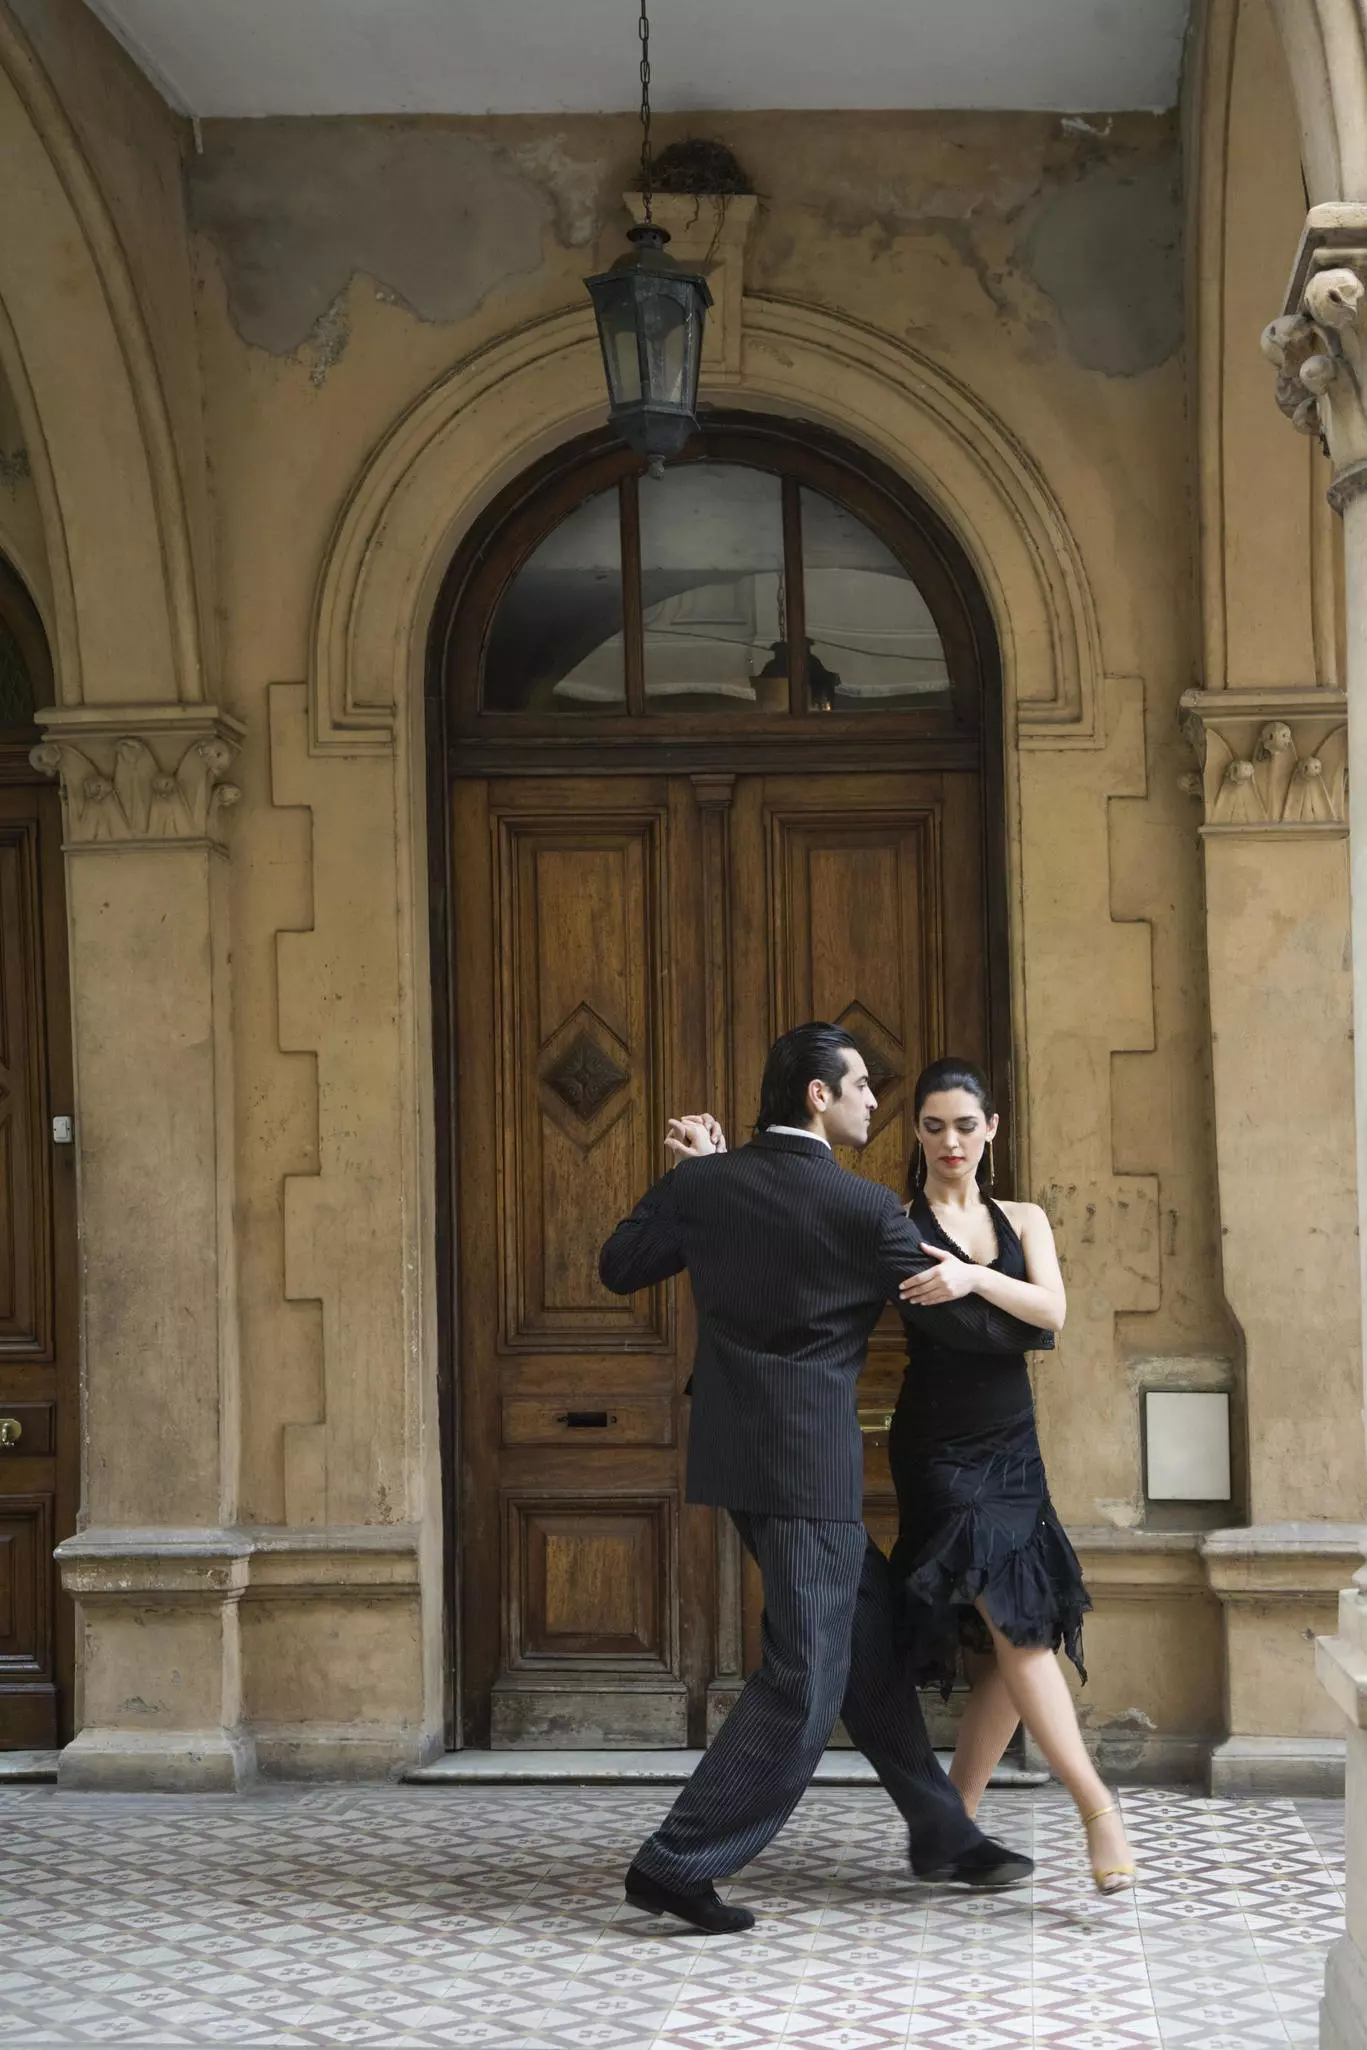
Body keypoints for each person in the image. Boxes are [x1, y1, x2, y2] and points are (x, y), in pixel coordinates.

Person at [598, 1022, 1050, 1935]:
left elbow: (620, 1266)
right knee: (805, 1676)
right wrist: (987, 1284)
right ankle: (676, 1863)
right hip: (808, 1466)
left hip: (738, 1452)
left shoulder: (709, 1184)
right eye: (860, 1088)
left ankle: (941, 1830)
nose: (873, 1104)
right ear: (816, 1093)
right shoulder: (863, 1210)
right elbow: (985, 1332)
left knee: (866, 1643)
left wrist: (692, 1174)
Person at [889, 1055, 1136, 1895]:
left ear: (989, 1129)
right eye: (932, 1126)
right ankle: (1095, 1806)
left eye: (964, 1124)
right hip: (939, 1450)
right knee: (1018, 1627)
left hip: (1012, 1446)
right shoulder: (897, 1224)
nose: (950, 1140)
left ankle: (948, 1821)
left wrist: (969, 1276)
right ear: (916, 1133)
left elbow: (1053, 1311)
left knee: (1009, 1637)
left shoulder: (1024, 1217)